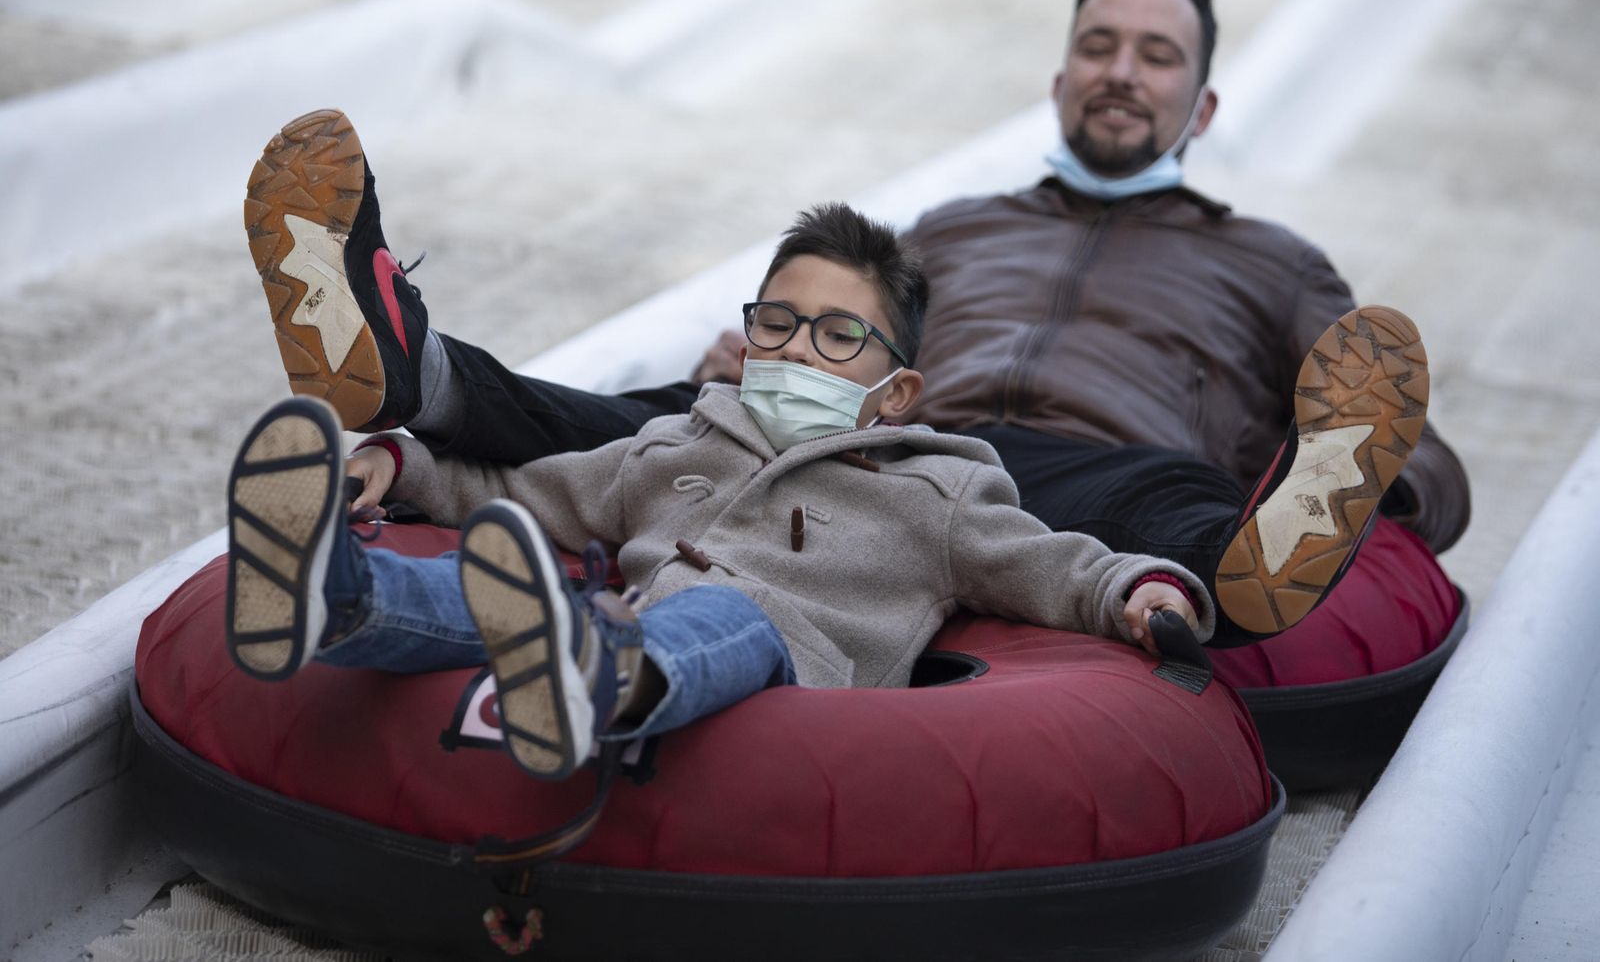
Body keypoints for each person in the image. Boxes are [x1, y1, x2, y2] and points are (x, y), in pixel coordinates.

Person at [241, 0, 1462, 647]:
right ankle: (408, 367)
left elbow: (1427, 462)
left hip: (1107, 461)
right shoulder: (956, 227)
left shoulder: (1270, 260)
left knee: (1182, 504)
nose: (1120, 72)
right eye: (1099, 45)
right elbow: (849, 323)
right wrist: (770, 350)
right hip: (887, 442)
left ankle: (1244, 570)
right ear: (1058, 78)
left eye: (1155, 55)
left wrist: (1365, 471)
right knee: (652, 418)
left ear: (1199, 107)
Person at [225, 204, 1216, 782]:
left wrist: (1138, 589)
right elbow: (526, 492)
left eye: (837, 335)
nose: (797, 348)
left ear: (894, 388)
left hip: (783, 668)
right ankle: (337, 591)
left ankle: (596, 680)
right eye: (778, 322)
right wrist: (400, 467)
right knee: (518, 589)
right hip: (617, 624)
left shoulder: (934, 488)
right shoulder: (672, 442)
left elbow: (1052, 563)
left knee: (726, 614)